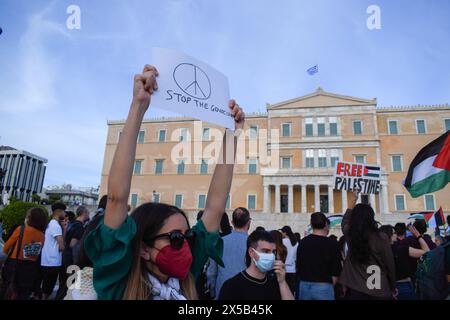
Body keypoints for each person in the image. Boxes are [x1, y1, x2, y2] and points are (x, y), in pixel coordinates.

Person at [82, 65, 245, 300]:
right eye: (177, 239)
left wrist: (232, 135)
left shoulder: (185, 276)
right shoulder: (119, 283)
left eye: (187, 237)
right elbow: (117, 199)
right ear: (144, 249)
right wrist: (138, 106)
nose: (187, 247)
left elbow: (215, 207)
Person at [339, 191, 396, 300]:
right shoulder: (381, 237)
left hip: (357, 288)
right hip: (379, 288)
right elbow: (389, 264)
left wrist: (353, 201)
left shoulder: (351, 234)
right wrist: (393, 285)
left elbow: (345, 221)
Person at [218, 230, 294, 300]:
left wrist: (282, 282)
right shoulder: (232, 286)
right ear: (251, 252)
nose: (271, 256)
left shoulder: (276, 282)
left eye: (273, 252)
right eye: (266, 251)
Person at [1, 208, 48, 299]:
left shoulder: (21, 229)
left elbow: (6, 248)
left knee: (9, 293)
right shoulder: (42, 236)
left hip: (14, 268)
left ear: (30, 218)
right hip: (30, 271)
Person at [207, 207, 251, 299]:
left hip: (222, 293)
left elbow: (211, 273)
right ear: (249, 222)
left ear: (232, 222)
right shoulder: (254, 245)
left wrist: (212, 293)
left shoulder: (218, 243)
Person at [296, 212, 341, 300]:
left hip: (304, 284)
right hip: (324, 285)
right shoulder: (332, 243)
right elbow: (336, 268)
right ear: (325, 225)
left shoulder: (303, 242)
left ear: (312, 225)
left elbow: (299, 264)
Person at [381, 223, 429, 300]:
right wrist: (418, 236)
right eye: (394, 233)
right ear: (388, 235)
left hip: (386, 287)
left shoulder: (378, 251)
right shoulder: (401, 248)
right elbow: (427, 252)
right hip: (404, 286)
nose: (396, 234)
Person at [56, 206, 90, 300]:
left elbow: (66, 239)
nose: (89, 214)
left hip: (65, 256)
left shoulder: (72, 223)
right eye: (88, 212)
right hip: (71, 259)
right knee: (69, 284)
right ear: (84, 213)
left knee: (63, 283)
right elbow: (73, 244)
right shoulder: (79, 227)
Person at [40, 202, 66, 300]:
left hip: (47, 260)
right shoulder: (55, 226)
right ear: (59, 212)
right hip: (52, 262)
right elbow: (61, 246)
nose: (64, 214)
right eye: (64, 212)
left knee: (46, 287)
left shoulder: (51, 224)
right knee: (47, 289)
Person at [280, 225, 298, 295]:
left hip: (283, 268)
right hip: (292, 269)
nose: (281, 233)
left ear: (285, 233)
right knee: (291, 291)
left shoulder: (282, 241)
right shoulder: (296, 242)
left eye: (282, 232)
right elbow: (296, 256)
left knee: (282, 290)